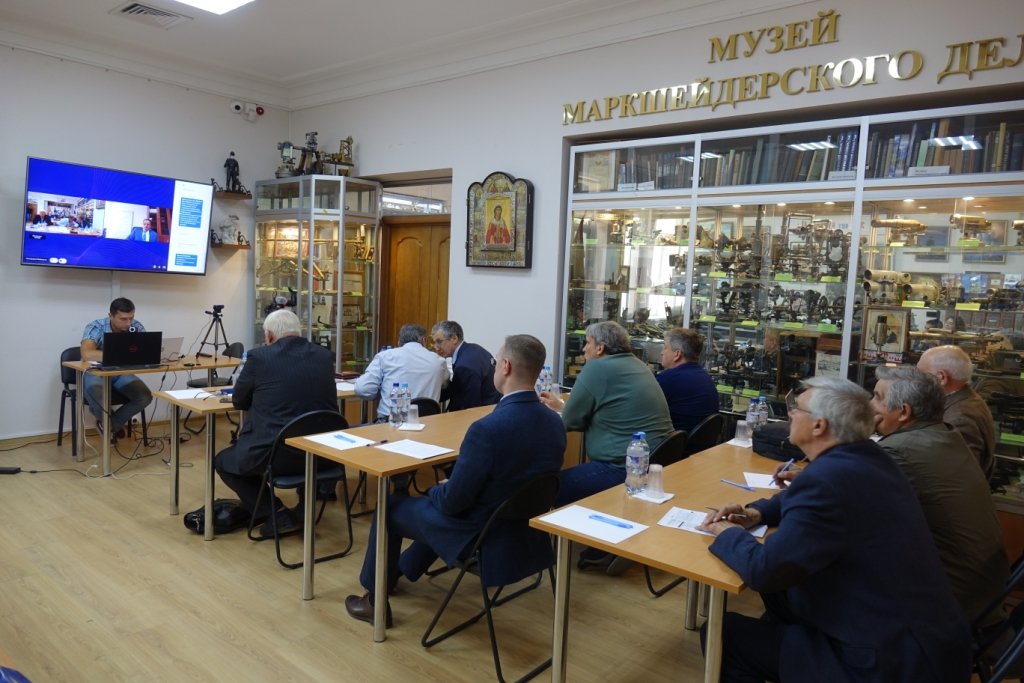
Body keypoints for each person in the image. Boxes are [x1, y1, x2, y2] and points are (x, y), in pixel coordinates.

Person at [698, 377, 971, 683]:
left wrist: (727, 533)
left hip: (885, 664)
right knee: (781, 593)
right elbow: (813, 490)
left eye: (797, 409)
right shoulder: (869, 456)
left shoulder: (827, 479)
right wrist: (757, 513)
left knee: (725, 635)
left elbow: (764, 570)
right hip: (923, 640)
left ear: (819, 426)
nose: (790, 414)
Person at [344, 334, 566, 626]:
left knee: (392, 505)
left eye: (496, 362)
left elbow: (452, 504)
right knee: (436, 503)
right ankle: (400, 569)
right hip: (520, 525)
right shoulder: (554, 422)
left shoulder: (487, 429)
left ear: (506, 367)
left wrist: (436, 490)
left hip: (478, 529)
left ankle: (374, 601)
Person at [870, 365, 1008, 627]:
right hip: (983, 591)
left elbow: (846, 508)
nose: (870, 404)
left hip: (948, 603)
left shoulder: (899, 451)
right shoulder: (945, 434)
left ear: (904, 412)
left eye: (877, 397)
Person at [213, 309, 337, 536]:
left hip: (276, 454)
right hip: (325, 454)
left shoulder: (259, 357)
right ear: (298, 332)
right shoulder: (324, 355)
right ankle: (303, 509)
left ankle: (276, 513)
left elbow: (239, 401)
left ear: (269, 336)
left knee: (223, 461)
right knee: (303, 431)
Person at [540, 321, 673, 506]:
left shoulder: (596, 368)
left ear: (600, 348)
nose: (584, 349)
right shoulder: (637, 364)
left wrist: (562, 412)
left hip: (623, 469)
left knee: (546, 488)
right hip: (656, 461)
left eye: (588, 342)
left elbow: (570, 422)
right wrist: (563, 407)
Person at [917, 344, 997, 478]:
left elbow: (958, 477)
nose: (915, 381)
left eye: (920, 374)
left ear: (941, 377)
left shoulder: (960, 418)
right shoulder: (965, 400)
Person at [80, 297, 153, 441]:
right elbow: (86, 353)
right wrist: (120, 355)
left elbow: (144, 351)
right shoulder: (96, 326)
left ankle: (110, 425)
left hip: (121, 372)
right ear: (111, 316)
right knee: (97, 396)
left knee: (144, 396)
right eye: (123, 319)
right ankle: (112, 426)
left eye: (131, 318)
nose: (129, 323)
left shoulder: (136, 326)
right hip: (95, 372)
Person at [354, 323, 448, 422]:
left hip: (391, 422)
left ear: (399, 342)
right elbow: (445, 384)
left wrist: (381, 392)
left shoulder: (385, 356)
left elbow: (363, 389)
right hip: (428, 423)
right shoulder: (439, 361)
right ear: (424, 341)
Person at [656, 328, 720, 432]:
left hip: (676, 440)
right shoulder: (704, 377)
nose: (661, 352)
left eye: (665, 347)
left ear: (677, 354)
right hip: (702, 441)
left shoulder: (668, 379)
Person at [431, 320, 501, 411]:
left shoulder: (464, 366)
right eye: (434, 343)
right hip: (495, 407)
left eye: (439, 342)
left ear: (454, 339)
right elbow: (458, 388)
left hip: (482, 412)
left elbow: (468, 406)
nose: (436, 347)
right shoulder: (474, 348)